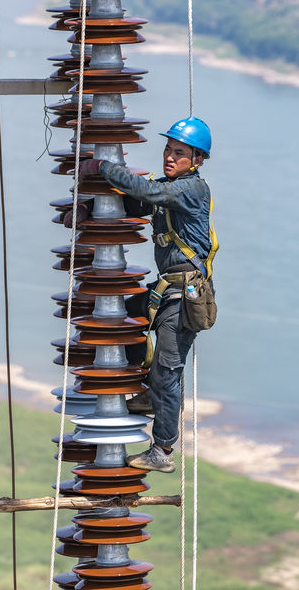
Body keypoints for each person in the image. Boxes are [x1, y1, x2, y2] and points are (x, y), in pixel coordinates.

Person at [73, 116, 217, 473]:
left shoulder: (190, 190)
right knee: (123, 315)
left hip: (183, 296)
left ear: (196, 160)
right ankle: (146, 392)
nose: (169, 156)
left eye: (179, 152)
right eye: (168, 149)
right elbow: (139, 203)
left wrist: (103, 167)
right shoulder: (169, 187)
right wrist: (89, 210)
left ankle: (163, 451)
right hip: (167, 290)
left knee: (168, 371)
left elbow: (148, 193)